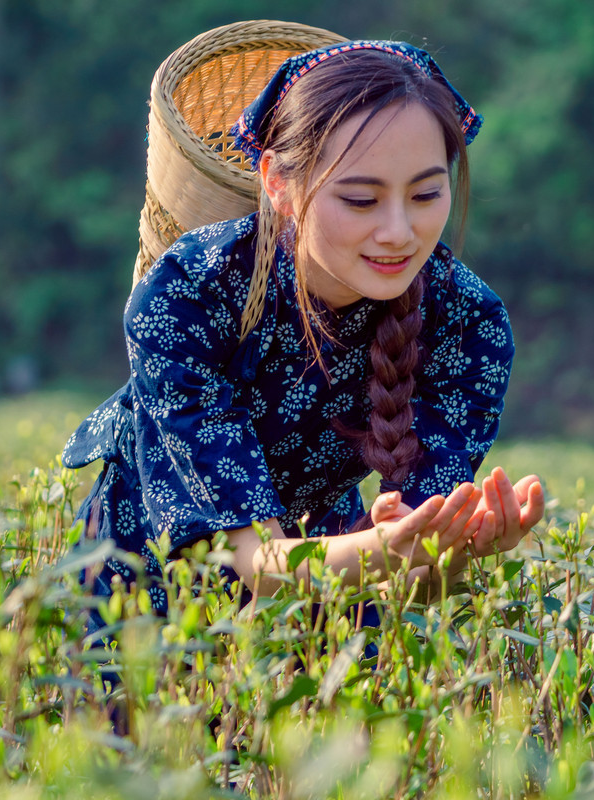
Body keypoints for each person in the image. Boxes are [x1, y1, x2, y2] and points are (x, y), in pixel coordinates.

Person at [62, 40, 544, 621]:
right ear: (277, 182)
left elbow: (413, 587)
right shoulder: (192, 290)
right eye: (361, 199)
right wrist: (379, 552)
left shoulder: (468, 323)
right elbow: (242, 561)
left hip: (332, 561)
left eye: (425, 194)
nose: (399, 232)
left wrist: (456, 552)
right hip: (145, 579)